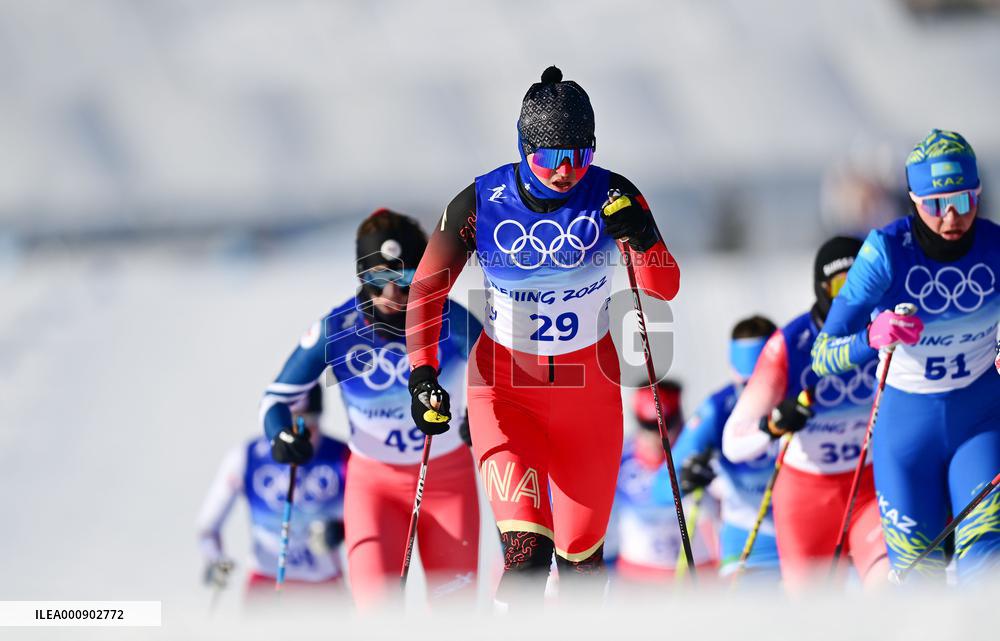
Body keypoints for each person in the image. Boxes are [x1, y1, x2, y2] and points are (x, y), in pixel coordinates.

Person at [404, 66, 681, 606]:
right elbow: (425, 291)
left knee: (581, 565)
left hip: (589, 397)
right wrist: (422, 374)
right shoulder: (481, 203)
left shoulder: (614, 194)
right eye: (549, 158)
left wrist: (643, 237)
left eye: (579, 157)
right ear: (522, 147)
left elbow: (663, 287)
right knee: (527, 554)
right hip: (505, 392)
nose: (564, 172)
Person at [260, 209, 481, 610]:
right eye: (379, 280)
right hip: (373, 488)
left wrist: (482, 418)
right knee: (378, 615)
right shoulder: (338, 328)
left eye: (407, 281)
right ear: (362, 277)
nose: (393, 296)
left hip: (447, 483)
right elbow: (277, 397)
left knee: (457, 617)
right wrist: (281, 435)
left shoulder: (451, 319)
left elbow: (502, 378)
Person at [811, 129, 1000, 582]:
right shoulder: (886, 252)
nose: (952, 216)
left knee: (986, 566)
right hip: (906, 434)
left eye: (964, 199)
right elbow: (822, 356)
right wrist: (870, 337)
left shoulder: (995, 248)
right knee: (920, 578)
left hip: (980, 422)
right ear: (914, 200)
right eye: (936, 204)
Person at [723, 236, 891, 591]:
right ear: (821, 289)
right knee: (812, 617)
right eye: (843, 285)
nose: (854, 296)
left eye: (864, 281)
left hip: (871, 488)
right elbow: (733, 443)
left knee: (888, 588)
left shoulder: (885, 328)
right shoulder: (789, 344)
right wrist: (774, 423)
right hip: (807, 497)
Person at [197, 386, 349, 602]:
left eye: (308, 424)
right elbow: (207, 528)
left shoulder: (343, 455)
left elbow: (374, 516)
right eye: (291, 426)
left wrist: (341, 529)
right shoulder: (246, 456)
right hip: (265, 586)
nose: (301, 436)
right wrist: (214, 560)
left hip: (324, 588)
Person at [669, 316, 781, 579]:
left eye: (763, 382)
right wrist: (688, 477)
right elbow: (663, 485)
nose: (754, 394)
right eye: (745, 384)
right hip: (748, 542)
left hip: (807, 532)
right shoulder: (718, 410)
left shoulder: (803, 396)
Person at [606, 380, 720, 585]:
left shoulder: (701, 455)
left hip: (697, 575)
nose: (656, 439)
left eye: (665, 428)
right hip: (637, 579)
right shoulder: (619, 459)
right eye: (648, 428)